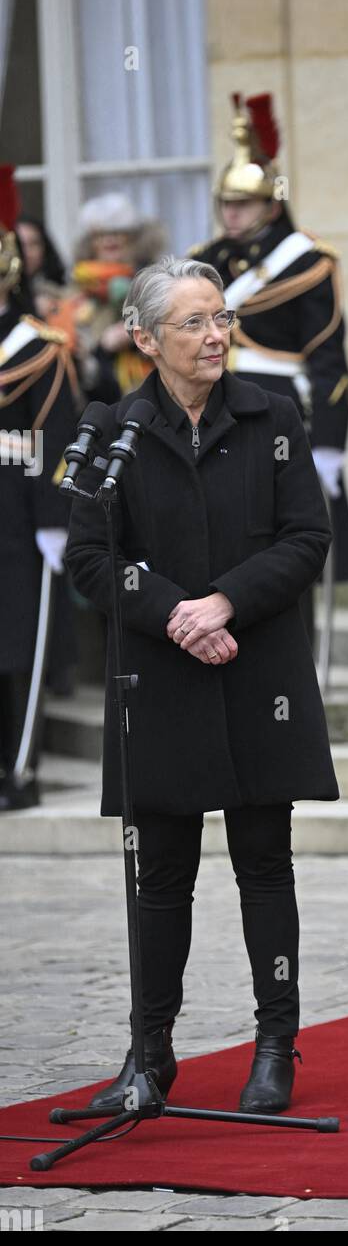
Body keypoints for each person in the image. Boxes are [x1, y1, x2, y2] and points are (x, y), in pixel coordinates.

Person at [65, 256, 339, 1114]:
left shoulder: (274, 416)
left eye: (221, 317)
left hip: (261, 672)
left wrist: (224, 603)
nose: (217, 335)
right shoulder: (112, 430)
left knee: (265, 864)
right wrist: (178, 612)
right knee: (160, 879)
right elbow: (88, 559)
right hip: (161, 679)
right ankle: (150, 1055)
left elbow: (306, 539)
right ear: (146, 338)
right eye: (194, 322)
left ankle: (274, 1045)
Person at [191, 93, 348, 634]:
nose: (232, 213)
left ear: (271, 204)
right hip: (211, 409)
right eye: (226, 203)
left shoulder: (306, 260)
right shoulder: (206, 261)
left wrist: (331, 442)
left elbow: (328, 357)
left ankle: (296, 656)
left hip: (280, 414)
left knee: (287, 539)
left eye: (243, 203)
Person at [0, 168, 78, 811]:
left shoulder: (38, 346)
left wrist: (54, 515)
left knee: (18, 636)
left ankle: (19, 767)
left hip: (16, 504)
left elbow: (57, 436)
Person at [67, 193, 166, 406]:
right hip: (91, 395)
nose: (109, 240)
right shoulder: (76, 287)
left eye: (118, 233)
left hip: (146, 388)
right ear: (90, 242)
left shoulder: (156, 279)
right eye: (100, 234)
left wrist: (136, 331)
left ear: (135, 238)